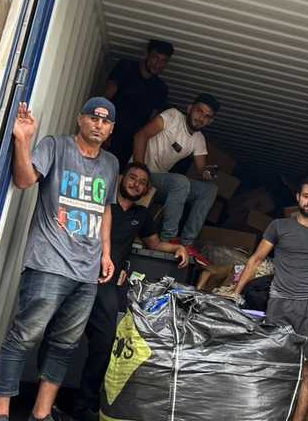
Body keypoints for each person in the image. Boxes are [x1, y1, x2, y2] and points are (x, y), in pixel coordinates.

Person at [0, 98, 120, 421]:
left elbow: (105, 208)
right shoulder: (56, 146)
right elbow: (23, 180)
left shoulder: (112, 164)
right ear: (80, 119)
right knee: (25, 336)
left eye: (105, 121)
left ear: (112, 128)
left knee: (64, 345)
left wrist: (105, 253)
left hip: (87, 272)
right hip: (49, 262)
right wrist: (24, 139)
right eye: (93, 117)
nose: (98, 124)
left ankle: (42, 413)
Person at [73, 162, 189, 421]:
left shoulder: (143, 215)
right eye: (132, 178)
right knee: (62, 336)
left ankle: (84, 406)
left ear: (147, 189)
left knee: (104, 343)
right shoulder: (102, 203)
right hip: (79, 275)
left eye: (142, 182)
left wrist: (178, 249)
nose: (136, 184)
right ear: (122, 179)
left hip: (108, 283)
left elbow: (155, 243)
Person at [233, 178, 308, 421]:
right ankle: (265, 415)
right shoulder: (278, 226)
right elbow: (255, 259)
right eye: (306, 196)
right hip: (279, 303)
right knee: (272, 365)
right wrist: (235, 293)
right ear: (298, 197)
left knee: (306, 370)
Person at [132, 93, 220, 256]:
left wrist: (207, 173)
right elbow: (141, 135)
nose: (201, 118)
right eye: (199, 111)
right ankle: (168, 240)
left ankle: (187, 242)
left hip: (160, 183)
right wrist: (139, 171)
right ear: (189, 109)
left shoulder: (199, 139)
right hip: (142, 175)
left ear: (210, 121)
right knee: (180, 182)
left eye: (207, 116)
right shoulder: (172, 116)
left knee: (209, 190)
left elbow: (201, 170)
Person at [104, 39, 173, 166]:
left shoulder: (161, 89)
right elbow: (107, 98)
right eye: (155, 58)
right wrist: (105, 130)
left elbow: (151, 122)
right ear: (146, 55)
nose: (158, 64)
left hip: (130, 143)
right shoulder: (126, 67)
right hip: (109, 132)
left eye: (163, 61)